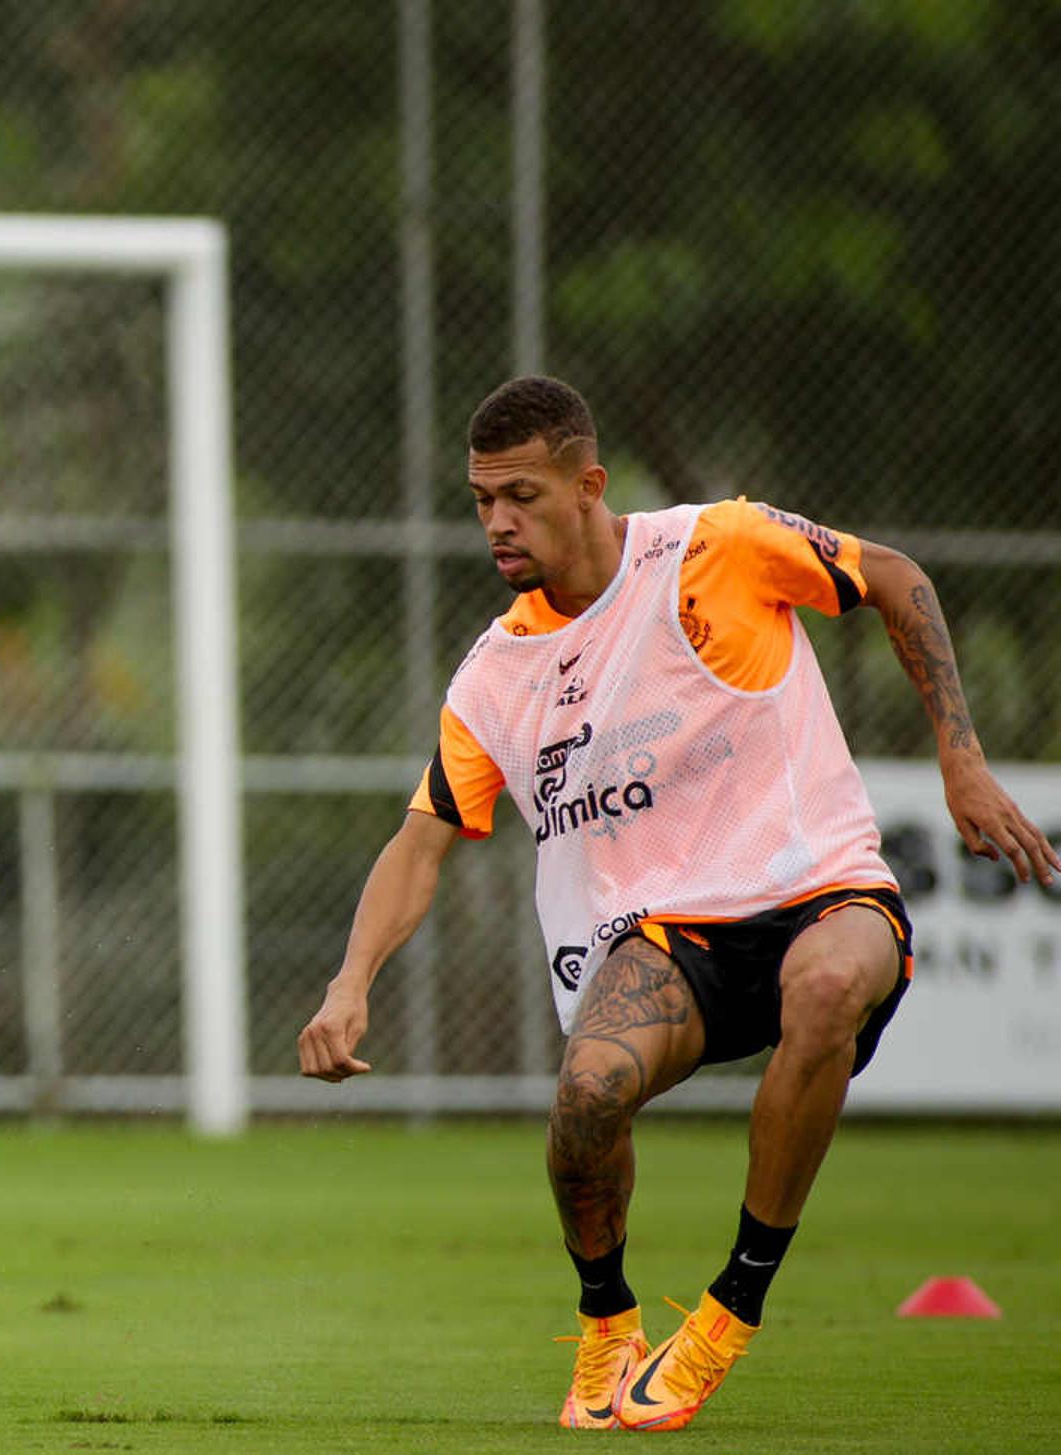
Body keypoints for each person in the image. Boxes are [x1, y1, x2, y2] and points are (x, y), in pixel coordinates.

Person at [297, 376, 1058, 1432]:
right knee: (586, 1098)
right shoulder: (496, 676)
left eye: (520, 493)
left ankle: (729, 1310)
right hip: (667, 941)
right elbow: (420, 841)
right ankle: (608, 1324)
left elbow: (896, 577)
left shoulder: (715, 548)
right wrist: (348, 985)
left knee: (829, 984)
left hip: (822, 893)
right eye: (481, 501)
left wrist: (961, 762)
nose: (497, 522)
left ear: (589, 483)